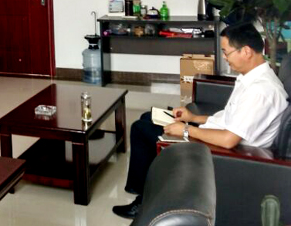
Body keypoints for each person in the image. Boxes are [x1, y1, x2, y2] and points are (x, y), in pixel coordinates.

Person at [112, 22, 289, 219]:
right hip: (220, 134)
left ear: (246, 51)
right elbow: (229, 118)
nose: (224, 57)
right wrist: (192, 118)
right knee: (148, 118)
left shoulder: (260, 91)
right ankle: (142, 189)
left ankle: (143, 202)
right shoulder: (252, 77)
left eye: (226, 52)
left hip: (226, 151)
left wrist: (186, 130)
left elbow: (228, 140)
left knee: (141, 129)